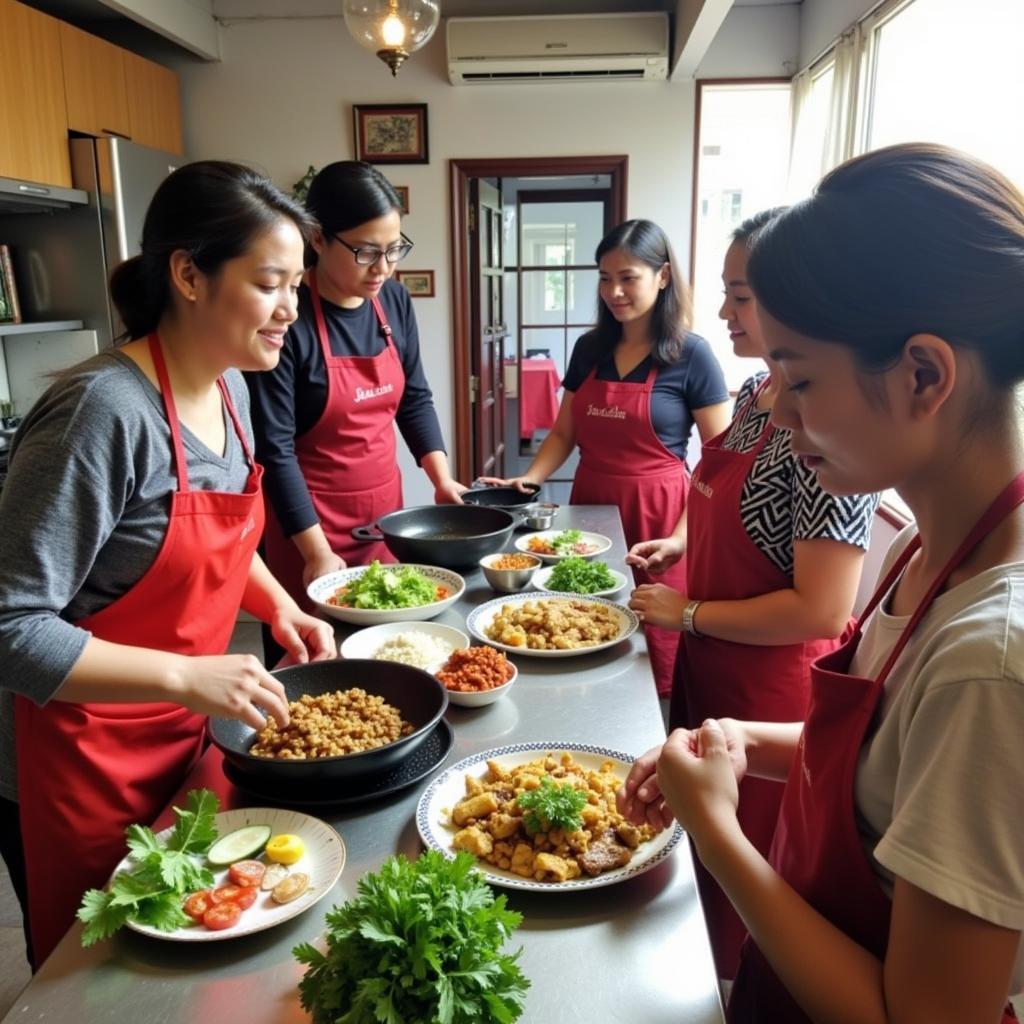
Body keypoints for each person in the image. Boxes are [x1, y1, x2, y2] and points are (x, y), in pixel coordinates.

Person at [620, 143, 1024, 1024]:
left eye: (800, 380)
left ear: (924, 374)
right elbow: (886, 761)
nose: (784, 413)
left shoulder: (992, 659)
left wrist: (719, 836)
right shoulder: (931, 548)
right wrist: (741, 743)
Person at [0, 161, 336, 969]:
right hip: (78, 765)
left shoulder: (232, 391)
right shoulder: (104, 413)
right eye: (270, 283)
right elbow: (11, 626)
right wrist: (189, 678)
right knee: (105, 985)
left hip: (187, 742)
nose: (293, 309)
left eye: (298, 285)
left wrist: (277, 603)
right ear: (189, 274)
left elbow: (214, 544)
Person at [626, 210, 879, 978]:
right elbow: (734, 513)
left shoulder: (824, 429)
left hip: (774, 695)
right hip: (716, 671)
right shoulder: (756, 395)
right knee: (701, 864)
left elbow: (822, 609)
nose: (723, 313)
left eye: (741, 296)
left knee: (759, 885)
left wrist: (690, 611)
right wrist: (680, 545)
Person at [484, 219, 732, 697]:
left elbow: (720, 462)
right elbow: (564, 432)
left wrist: (682, 535)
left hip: (662, 513)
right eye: (605, 277)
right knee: (580, 626)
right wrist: (529, 480)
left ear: (662, 277)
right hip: (592, 509)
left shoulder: (691, 355)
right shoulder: (589, 348)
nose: (614, 291)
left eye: (628, 277)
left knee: (656, 644)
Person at [247, 161, 466, 636]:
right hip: (307, 521)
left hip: (383, 516)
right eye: (366, 252)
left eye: (394, 250)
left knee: (389, 647)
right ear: (318, 238)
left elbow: (415, 399)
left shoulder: (395, 303)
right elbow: (274, 449)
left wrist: (442, 480)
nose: (383, 268)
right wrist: (316, 551)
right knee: (314, 660)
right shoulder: (287, 318)